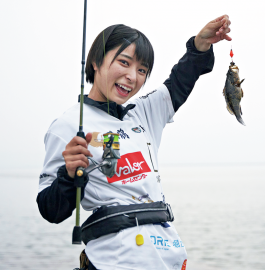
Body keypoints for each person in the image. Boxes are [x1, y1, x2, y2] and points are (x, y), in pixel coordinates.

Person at [36, 15, 232, 270]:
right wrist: (68, 175)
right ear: (96, 61)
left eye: (141, 70)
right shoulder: (68, 125)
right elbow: (51, 210)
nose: (132, 76)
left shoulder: (143, 112)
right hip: (114, 261)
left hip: (167, 256)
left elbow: (181, 79)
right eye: (124, 63)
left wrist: (200, 45)